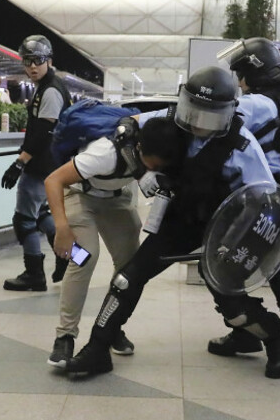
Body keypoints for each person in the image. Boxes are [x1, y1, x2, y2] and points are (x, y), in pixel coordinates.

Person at [65, 66, 280, 379]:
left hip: (226, 229)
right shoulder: (173, 116)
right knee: (127, 279)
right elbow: (126, 128)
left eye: (208, 117)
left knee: (232, 301)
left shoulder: (243, 145)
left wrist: (238, 246)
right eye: (193, 112)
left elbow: (267, 200)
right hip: (180, 220)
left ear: (227, 113)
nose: (197, 123)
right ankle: (97, 349)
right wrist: (140, 171)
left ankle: (275, 339)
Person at [44, 116, 186, 368]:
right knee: (84, 257)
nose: (153, 171)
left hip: (116, 199)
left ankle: (110, 326)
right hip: (79, 194)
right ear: (140, 149)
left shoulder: (162, 141)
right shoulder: (105, 153)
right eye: (151, 166)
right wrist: (62, 227)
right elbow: (53, 180)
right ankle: (64, 336)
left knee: (132, 265)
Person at [206, 37, 280, 359]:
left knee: (228, 262)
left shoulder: (253, 104)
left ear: (251, 74)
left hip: (252, 193)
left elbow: (216, 129)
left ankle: (248, 332)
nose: (238, 81)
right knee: (273, 256)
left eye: (240, 74)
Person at [1, 35, 72, 292]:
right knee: (41, 214)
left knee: (24, 220)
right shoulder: (47, 85)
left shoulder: (51, 89)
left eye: (38, 61)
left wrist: (19, 163)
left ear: (48, 61)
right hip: (49, 165)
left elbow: (43, 132)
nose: (32, 66)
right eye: (27, 61)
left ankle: (34, 275)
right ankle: (74, 256)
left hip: (42, 166)